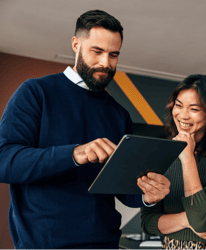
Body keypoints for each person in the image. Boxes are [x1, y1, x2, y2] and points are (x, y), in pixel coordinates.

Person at [0, 10, 170, 249]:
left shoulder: (119, 115)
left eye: (113, 55)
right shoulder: (35, 93)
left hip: (105, 243)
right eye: (97, 51)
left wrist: (147, 196)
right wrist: (75, 153)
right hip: (43, 244)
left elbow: (122, 188)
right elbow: (4, 162)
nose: (105, 63)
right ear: (75, 44)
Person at [140, 74, 206, 249]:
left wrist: (187, 157)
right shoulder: (159, 154)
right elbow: (148, 222)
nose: (183, 115)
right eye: (178, 105)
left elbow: (202, 221)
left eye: (194, 109)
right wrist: (185, 220)